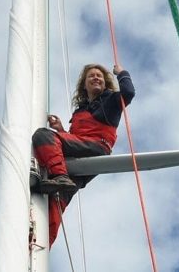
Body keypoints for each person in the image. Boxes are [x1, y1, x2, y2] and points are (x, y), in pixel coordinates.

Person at [32, 63, 135, 247]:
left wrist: (122, 73)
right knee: (54, 203)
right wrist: (62, 130)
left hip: (97, 148)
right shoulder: (80, 111)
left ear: (104, 83)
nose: (96, 78)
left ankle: (61, 177)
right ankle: (39, 248)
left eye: (99, 76)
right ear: (84, 85)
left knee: (43, 135)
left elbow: (128, 93)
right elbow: (75, 140)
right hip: (82, 151)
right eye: (91, 76)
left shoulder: (110, 100)